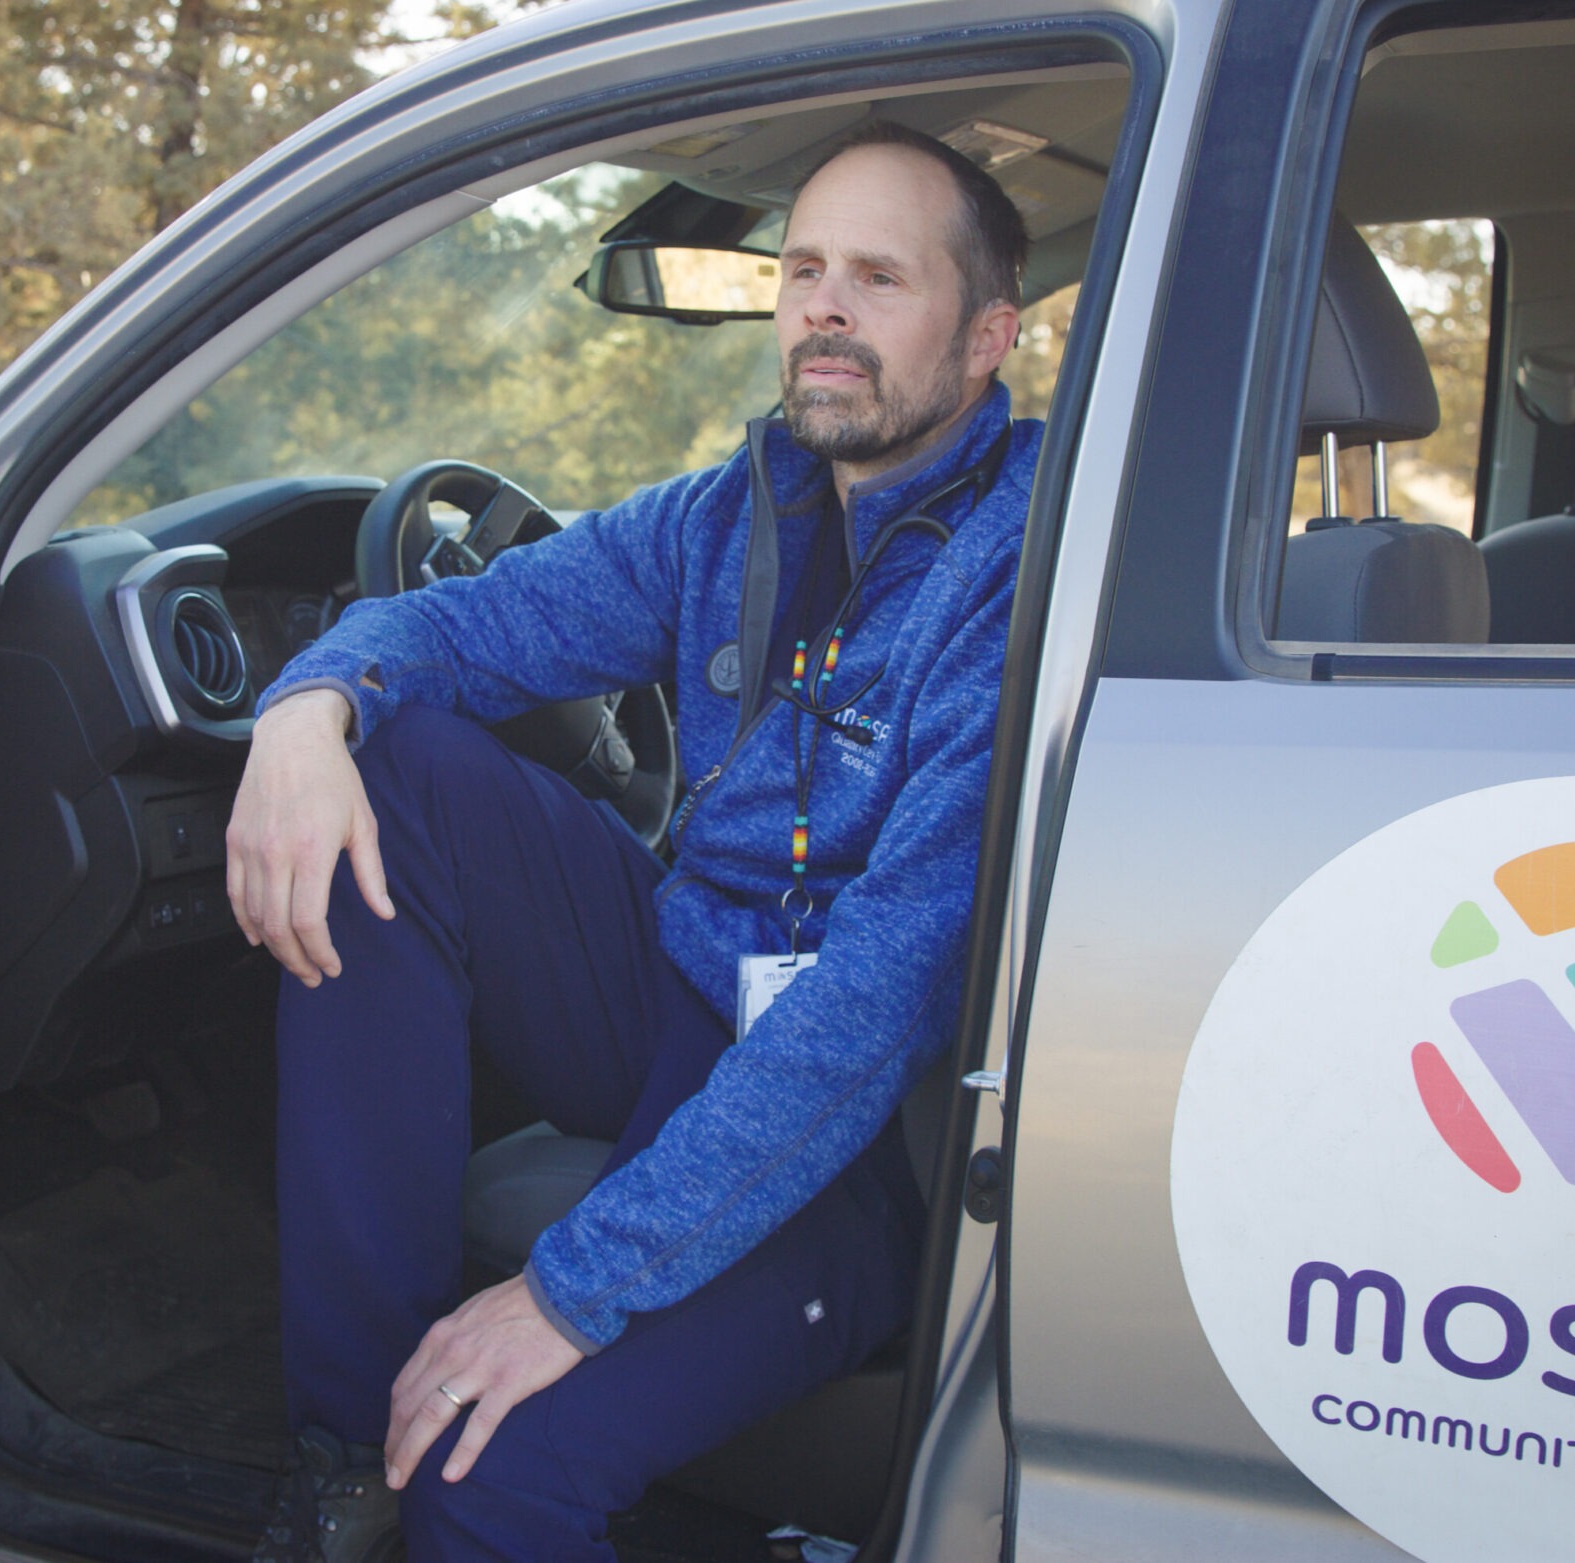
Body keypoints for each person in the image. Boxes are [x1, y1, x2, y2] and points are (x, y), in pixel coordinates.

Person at [225, 119, 1039, 1563]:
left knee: (489, 1470)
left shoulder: (1019, 567)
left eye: (878, 278)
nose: (824, 310)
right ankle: (349, 1454)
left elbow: (873, 1010)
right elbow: (467, 625)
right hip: (685, 995)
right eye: (802, 271)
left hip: (870, 1135)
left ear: (988, 338)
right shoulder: (737, 512)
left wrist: (565, 1295)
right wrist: (304, 712)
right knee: (396, 764)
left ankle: (428, 1453)